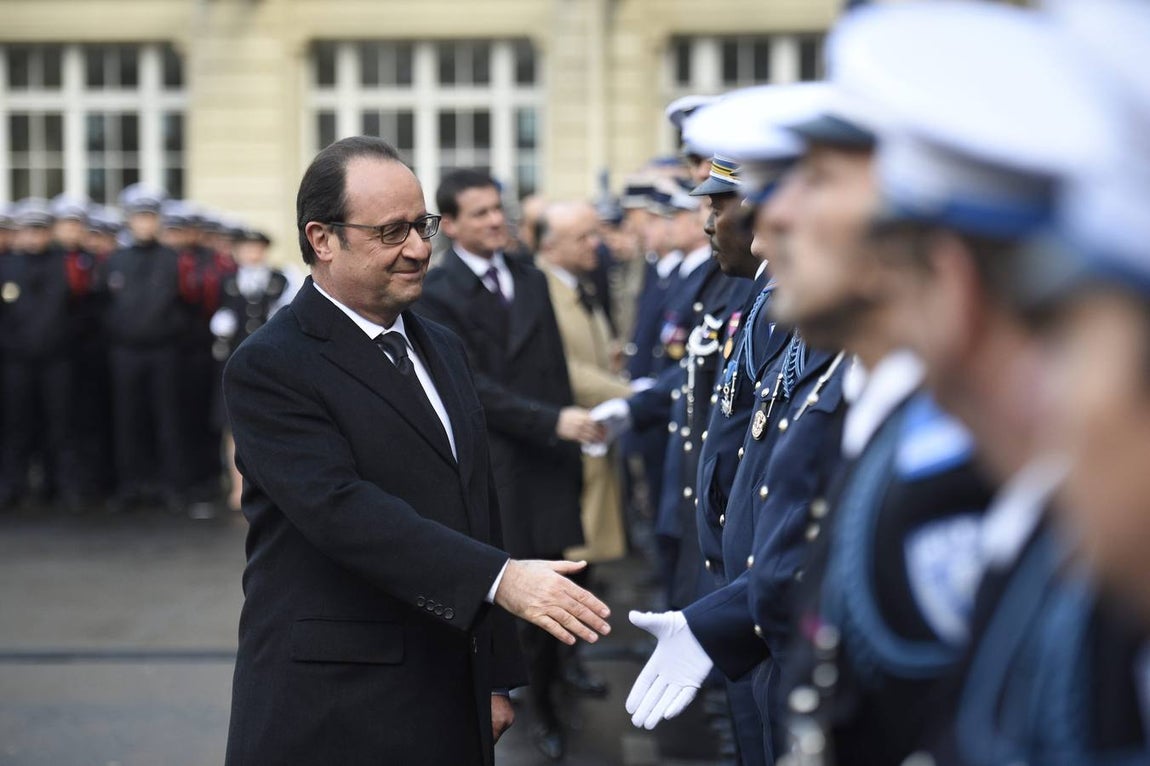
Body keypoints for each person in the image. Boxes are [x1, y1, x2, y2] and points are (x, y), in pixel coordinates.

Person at [222, 136, 611, 766]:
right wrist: (501, 580)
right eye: (392, 231)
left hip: (446, 682)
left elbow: (478, 507)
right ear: (322, 239)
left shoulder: (442, 346)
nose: (420, 248)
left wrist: (495, 674)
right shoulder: (270, 364)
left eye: (423, 224)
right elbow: (341, 510)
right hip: (334, 701)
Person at [414, 168, 603, 761]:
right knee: (520, 596)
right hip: (499, 461)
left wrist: (567, 429)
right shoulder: (438, 290)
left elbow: (550, 364)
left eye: (499, 209)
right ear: (450, 226)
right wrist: (551, 420)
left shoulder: (529, 277)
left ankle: (558, 684)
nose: (496, 220)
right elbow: (472, 385)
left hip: (550, 459)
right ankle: (535, 708)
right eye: (480, 213)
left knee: (571, 572)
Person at [102, 184, 192, 514]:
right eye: (139, 218)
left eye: (150, 218)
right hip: (125, 352)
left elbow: (188, 303)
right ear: (129, 221)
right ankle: (130, 485)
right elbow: (103, 303)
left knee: (167, 419)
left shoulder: (173, 260)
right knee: (127, 420)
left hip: (163, 351)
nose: (144, 224)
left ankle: (170, 486)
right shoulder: (115, 259)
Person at [0, 198, 82, 510]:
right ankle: (12, 486)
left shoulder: (66, 262)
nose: (34, 237)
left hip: (57, 359)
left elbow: (78, 309)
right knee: (16, 426)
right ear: (18, 233)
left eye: (40, 230)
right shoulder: (5, 264)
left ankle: (62, 485)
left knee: (61, 424)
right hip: (16, 360)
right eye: (28, 230)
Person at [209, 227, 289, 512]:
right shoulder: (227, 281)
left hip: (269, 361)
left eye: (256, 248)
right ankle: (238, 486)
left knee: (270, 421)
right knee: (231, 425)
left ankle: (270, 484)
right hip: (233, 359)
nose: (252, 254)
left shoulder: (279, 280)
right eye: (246, 248)